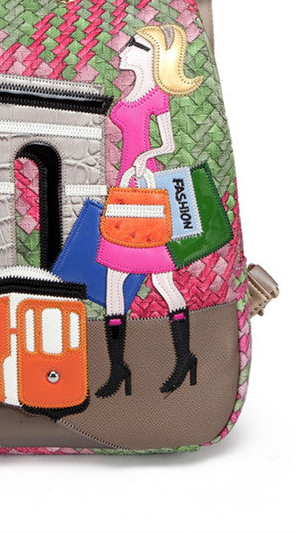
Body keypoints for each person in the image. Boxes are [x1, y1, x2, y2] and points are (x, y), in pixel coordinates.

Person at [96, 24, 203, 398]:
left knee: (163, 281)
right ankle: (118, 368)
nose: (122, 50)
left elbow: (168, 143)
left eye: (131, 45)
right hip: (124, 191)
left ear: (149, 55)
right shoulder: (128, 96)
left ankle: (185, 357)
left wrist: (143, 159)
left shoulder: (157, 97)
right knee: (113, 281)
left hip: (147, 190)